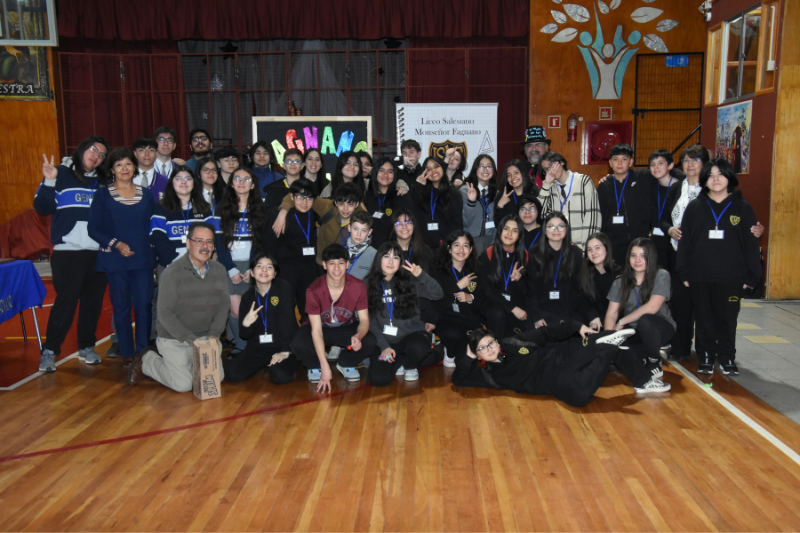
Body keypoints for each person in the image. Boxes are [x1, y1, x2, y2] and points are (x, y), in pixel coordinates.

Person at [665, 145, 762, 363]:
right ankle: (705, 354)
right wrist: (684, 271)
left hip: (731, 277)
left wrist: (752, 276)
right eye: (711, 175)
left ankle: (727, 356)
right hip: (699, 273)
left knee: (727, 318)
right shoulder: (695, 206)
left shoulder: (742, 207)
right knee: (703, 316)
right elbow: (685, 242)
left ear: (729, 177)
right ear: (705, 179)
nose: (716, 179)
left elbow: (749, 243)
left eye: (720, 174)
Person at [34, 136, 109, 371]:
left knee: (92, 303)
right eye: (93, 150)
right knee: (65, 302)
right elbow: (43, 208)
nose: (96, 156)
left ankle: (86, 347)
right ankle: (49, 351)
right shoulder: (60, 174)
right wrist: (48, 181)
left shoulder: (105, 182)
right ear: (82, 149)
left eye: (102, 154)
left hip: (97, 253)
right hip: (68, 252)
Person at [452, 326, 670, 406]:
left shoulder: (514, 342)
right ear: (478, 354)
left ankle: (643, 381)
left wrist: (577, 326)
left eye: (490, 343)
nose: (488, 349)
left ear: (497, 342)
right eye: (482, 349)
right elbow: (458, 379)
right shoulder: (489, 376)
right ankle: (609, 351)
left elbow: (548, 333)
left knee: (605, 339)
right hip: (553, 381)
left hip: (562, 355)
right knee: (580, 398)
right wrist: (468, 356)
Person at [127, 222, 230, 391]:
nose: (205, 246)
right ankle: (148, 360)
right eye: (199, 241)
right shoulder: (171, 273)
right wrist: (191, 339)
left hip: (206, 339)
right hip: (175, 339)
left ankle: (187, 366)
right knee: (183, 385)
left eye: (209, 242)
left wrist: (214, 335)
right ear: (188, 243)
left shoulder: (219, 270)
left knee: (215, 380)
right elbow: (164, 314)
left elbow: (224, 305)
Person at [88, 147, 157, 367]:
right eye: (118, 165)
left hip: (143, 261)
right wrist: (116, 244)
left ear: (134, 167)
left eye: (128, 164)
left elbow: (154, 225)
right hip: (115, 261)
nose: (124, 168)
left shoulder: (146, 194)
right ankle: (127, 352)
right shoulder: (102, 194)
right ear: (111, 169)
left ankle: (144, 351)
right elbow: (93, 228)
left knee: (144, 306)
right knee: (121, 308)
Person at [290, 244, 379, 392]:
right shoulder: (313, 290)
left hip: (346, 328)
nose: (337, 268)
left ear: (347, 264)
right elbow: (316, 330)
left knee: (369, 340)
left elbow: (364, 320)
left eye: (341, 263)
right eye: (332, 263)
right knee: (298, 343)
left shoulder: (358, 286)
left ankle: (345, 362)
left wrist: (358, 335)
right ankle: (315, 365)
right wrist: (325, 367)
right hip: (321, 328)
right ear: (324, 265)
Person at [364, 242, 444, 384]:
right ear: (378, 259)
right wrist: (384, 347)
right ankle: (400, 359)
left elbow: (438, 294)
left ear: (400, 262)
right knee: (378, 379)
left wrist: (421, 275)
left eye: (395, 257)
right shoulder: (367, 284)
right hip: (384, 341)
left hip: (411, 337)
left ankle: (411, 364)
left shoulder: (410, 281)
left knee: (419, 348)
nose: (390, 261)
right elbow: (369, 320)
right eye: (386, 256)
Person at [223, 253, 300, 384]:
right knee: (230, 373)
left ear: (274, 273)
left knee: (280, 376)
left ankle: (291, 358)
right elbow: (244, 335)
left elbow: (287, 322)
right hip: (258, 348)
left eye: (269, 267)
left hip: (282, 346)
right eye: (259, 266)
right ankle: (266, 363)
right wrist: (246, 324)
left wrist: (285, 350)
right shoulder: (248, 297)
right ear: (252, 272)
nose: (264, 270)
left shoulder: (283, 288)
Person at [605, 238, 676, 380]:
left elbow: (652, 307)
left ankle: (654, 362)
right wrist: (609, 340)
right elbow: (611, 314)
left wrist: (622, 322)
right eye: (633, 255)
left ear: (651, 257)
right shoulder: (620, 281)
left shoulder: (661, 275)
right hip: (634, 331)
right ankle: (642, 356)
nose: (637, 260)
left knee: (646, 320)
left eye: (643, 256)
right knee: (618, 352)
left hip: (659, 327)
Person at [216, 167, 264, 353]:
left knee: (252, 308)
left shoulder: (260, 208)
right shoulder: (221, 208)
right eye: (237, 178)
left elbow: (260, 242)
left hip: (252, 266)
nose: (242, 182)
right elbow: (219, 244)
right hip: (229, 266)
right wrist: (231, 269)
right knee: (235, 311)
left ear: (252, 185)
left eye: (246, 179)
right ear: (232, 182)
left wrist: (253, 269)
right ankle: (241, 346)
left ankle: (254, 345)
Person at [262, 178, 321, 322]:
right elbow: (270, 246)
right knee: (285, 307)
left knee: (309, 307)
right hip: (286, 267)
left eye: (309, 198)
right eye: (300, 197)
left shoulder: (314, 212)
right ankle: (287, 341)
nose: (304, 202)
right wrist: (271, 271)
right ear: (292, 197)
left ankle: (307, 340)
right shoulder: (280, 214)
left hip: (308, 266)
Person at [271, 181, 366, 266]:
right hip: (322, 264)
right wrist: (283, 212)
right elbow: (298, 195)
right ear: (336, 202)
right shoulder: (327, 207)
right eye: (341, 203)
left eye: (350, 204)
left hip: (346, 266)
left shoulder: (361, 218)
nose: (345, 209)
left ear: (356, 204)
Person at [532, 212, 597, 328]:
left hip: (569, 310)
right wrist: (536, 316)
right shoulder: (534, 254)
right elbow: (529, 291)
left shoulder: (575, 253)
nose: (556, 230)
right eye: (551, 226)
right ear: (545, 230)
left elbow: (580, 289)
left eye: (560, 226)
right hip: (543, 313)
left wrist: (592, 314)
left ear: (566, 230)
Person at [430, 230, 485, 367]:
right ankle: (448, 351)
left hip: (469, 320)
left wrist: (470, 298)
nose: (461, 250)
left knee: (468, 362)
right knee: (453, 335)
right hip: (447, 319)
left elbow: (484, 301)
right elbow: (438, 304)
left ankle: (446, 348)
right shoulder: (437, 271)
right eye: (456, 245)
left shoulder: (477, 270)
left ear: (471, 249)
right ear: (448, 248)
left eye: (465, 245)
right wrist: (457, 286)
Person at [596, 144, 653, 264]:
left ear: (631, 161)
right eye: (616, 159)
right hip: (613, 243)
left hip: (638, 241)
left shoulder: (643, 177)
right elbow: (601, 215)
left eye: (624, 159)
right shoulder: (604, 186)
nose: (620, 163)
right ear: (610, 163)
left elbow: (667, 172)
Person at [477, 214, 530, 338]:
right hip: (492, 301)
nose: (509, 233)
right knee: (498, 313)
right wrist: (511, 308)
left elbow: (529, 290)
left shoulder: (526, 256)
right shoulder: (488, 254)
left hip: (515, 301)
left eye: (515, 230)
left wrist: (519, 281)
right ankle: (496, 352)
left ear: (519, 235)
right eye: (506, 228)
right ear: (500, 230)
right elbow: (487, 290)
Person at [538, 151, 600, 251]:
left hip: (582, 247)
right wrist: (546, 185)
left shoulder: (583, 181)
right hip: (559, 248)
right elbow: (540, 215)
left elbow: (592, 217)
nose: (550, 170)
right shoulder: (550, 188)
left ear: (561, 162)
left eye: (551, 165)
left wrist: (586, 249)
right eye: (546, 169)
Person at [409, 156, 464, 250]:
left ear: (442, 167)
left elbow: (457, 224)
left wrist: (450, 245)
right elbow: (414, 214)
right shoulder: (421, 192)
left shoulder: (454, 194)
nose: (433, 170)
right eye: (428, 169)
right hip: (424, 248)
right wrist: (418, 186)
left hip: (446, 248)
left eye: (436, 166)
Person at [364, 157, 410, 248]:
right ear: (375, 173)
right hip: (370, 251)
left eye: (390, 171)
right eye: (381, 170)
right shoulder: (366, 198)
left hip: (393, 251)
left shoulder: (401, 197)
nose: (385, 175)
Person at [648, 149, 681, 270]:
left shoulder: (681, 188)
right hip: (656, 241)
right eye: (652, 164)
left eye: (660, 163)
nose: (656, 167)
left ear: (671, 165)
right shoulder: (650, 186)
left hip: (675, 240)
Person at [580, 232, 621, 323]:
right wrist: (593, 316)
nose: (593, 252)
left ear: (606, 249)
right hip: (592, 320)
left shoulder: (619, 273)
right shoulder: (584, 274)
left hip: (615, 321)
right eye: (589, 249)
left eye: (597, 248)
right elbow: (581, 301)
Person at [461, 154, 498, 254]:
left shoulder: (496, 193)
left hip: (491, 241)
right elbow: (465, 222)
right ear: (475, 169)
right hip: (470, 241)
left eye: (489, 166)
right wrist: (471, 202)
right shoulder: (465, 191)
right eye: (481, 166)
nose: (485, 170)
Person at [493, 159, 538, 225]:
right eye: (509, 175)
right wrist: (500, 207)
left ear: (523, 173)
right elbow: (498, 225)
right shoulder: (503, 196)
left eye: (516, 173)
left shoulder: (535, 193)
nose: (512, 177)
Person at [345, 211, 377, 280]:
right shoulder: (340, 251)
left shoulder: (374, 255)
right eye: (355, 229)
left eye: (363, 230)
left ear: (369, 232)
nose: (358, 234)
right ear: (349, 228)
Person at [152, 126, 181, 198]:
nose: (166, 143)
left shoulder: (180, 170)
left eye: (170, 140)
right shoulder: (146, 168)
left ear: (174, 145)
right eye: (161, 139)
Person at [519, 125, 551, 189]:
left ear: (546, 147)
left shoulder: (553, 169)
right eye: (529, 145)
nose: (534, 149)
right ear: (525, 149)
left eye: (538, 145)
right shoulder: (517, 170)